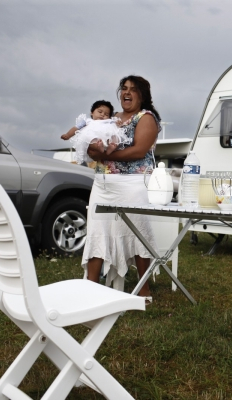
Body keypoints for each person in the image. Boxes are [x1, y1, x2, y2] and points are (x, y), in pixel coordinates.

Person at [78, 76, 161, 302]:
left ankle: (143, 290)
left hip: (132, 184)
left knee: (138, 233)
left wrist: (106, 154)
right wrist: (96, 150)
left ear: (142, 95)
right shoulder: (109, 119)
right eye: (124, 88)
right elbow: (91, 147)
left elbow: (139, 151)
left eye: (133, 90)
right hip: (103, 184)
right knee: (97, 231)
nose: (127, 92)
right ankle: (90, 287)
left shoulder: (147, 118)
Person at [60, 100, 130, 165]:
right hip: (96, 138)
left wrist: (118, 124)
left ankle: (110, 147)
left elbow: (118, 129)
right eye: (100, 112)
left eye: (106, 114)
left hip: (107, 137)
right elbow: (76, 128)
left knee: (115, 136)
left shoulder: (110, 121)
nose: (102, 115)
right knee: (90, 138)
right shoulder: (88, 121)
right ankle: (99, 147)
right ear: (92, 112)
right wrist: (68, 135)